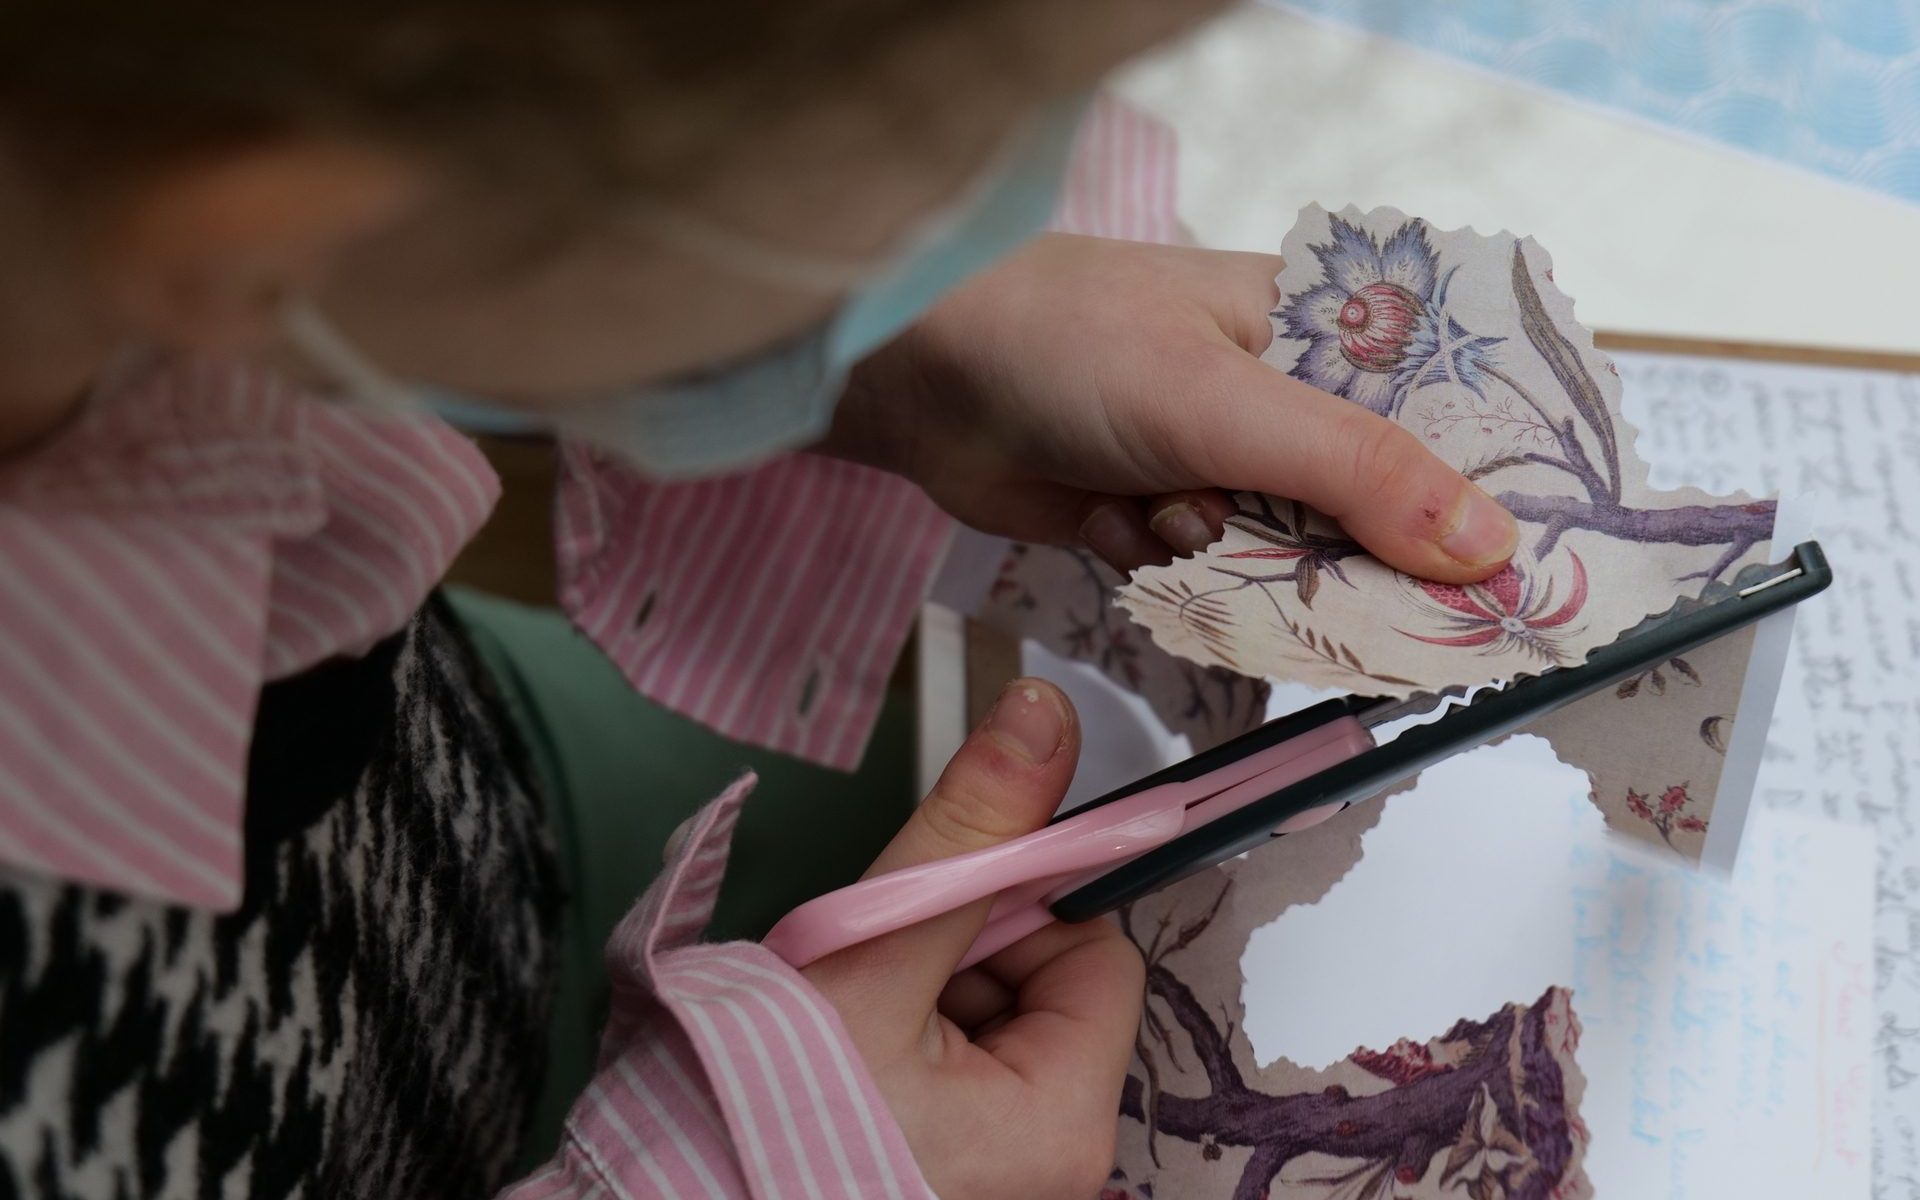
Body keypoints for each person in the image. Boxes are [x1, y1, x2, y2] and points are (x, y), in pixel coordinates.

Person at [0, 3, 1519, 1198]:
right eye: (945, 163)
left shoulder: (99, 174)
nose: (999, 200)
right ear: (266, 233)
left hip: (476, 835)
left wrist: (903, 340)